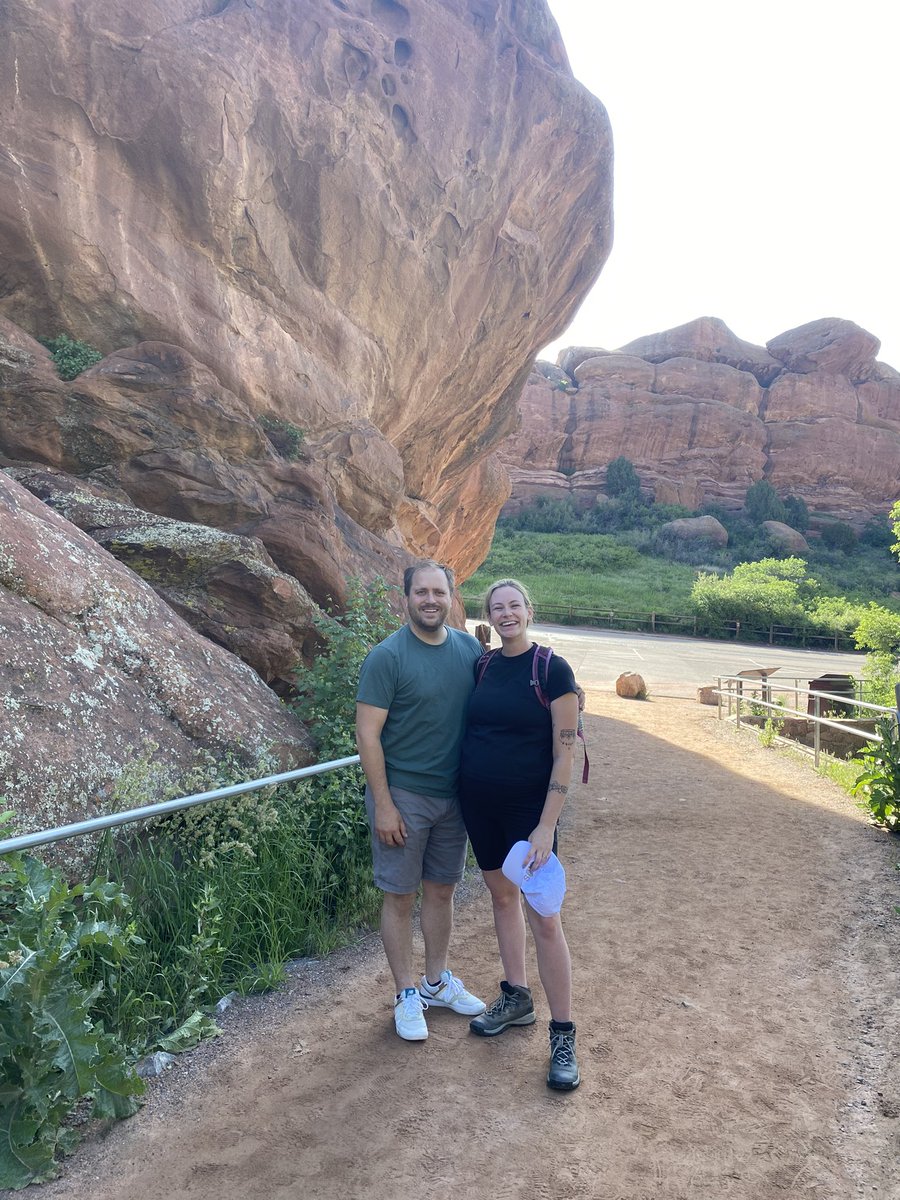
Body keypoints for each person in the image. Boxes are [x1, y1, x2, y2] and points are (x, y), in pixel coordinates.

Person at [355, 560, 486, 1041]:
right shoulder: (387, 657)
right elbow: (367, 736)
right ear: (405, 597)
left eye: (439, 592)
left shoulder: (469, 650)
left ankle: (435, 982)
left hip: (454, 798)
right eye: (421, 592)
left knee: (442, 890)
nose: (430, 600)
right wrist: (384, 805)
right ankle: (406, 992)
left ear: (451, 597)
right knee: (399, 895)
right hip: (404, 797)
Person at [459, 578, 582, 1090]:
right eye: (496, 607)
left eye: (514, 605)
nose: (506, 614)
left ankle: (563, 1034)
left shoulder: (551, 669)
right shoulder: (484, 665)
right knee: (501, 900)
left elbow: (564, 752)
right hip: (480, 806)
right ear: (488, 616)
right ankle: (516, 997)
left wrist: (546, 826)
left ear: (529, 610)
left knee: (545, 919)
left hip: (528, 816)